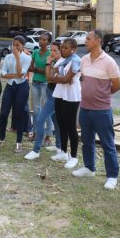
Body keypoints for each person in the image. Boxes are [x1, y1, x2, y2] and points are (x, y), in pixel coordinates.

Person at [72, 30, 120, 190]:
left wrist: (102, 95)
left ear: (98, 41)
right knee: (87, 141)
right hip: (85, 108)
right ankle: (89, 168)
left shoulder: (109, 62)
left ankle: (112, 176)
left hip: (102, 110)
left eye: (88, 38)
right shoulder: (84, 60)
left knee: (108, 144)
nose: (85, 41)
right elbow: (84, 79)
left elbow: (117, 85)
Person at [24, 40, 62, 160]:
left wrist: (48, 64)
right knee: (56, 120)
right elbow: (47, 77)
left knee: (40, 120)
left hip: (57, 96)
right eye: (52, 50)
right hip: (50, 92)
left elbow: (49, 78)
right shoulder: (54, 61)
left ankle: (36, 150)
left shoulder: (61, 63)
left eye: (56, 50)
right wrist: (49, 64)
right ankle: (59, 146)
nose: (52, 53)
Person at [0, 36, 32, 152]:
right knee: (4, 112)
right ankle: (1, 138)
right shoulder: (8, 57)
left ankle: (19, 142)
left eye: (18, 45)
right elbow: (3, 74)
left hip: (22, 87)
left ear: (22, 46)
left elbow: (21, 73)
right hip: (10, 86)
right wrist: (15, 75)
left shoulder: (27, 58)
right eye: (13, 44)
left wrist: (17, 58)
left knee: (19, 113)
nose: (15, 47)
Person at [50, 38, 81, 169]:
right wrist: (60, 78)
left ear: (73, 49)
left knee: (70, 126)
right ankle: (63, 151)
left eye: (66, 48)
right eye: (62, 47)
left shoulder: (76, 60)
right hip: (60, 93)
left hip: (71, 96)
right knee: (61, 123)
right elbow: (52, 75)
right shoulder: (62, 60)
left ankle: (73, 157)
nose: (62, 50)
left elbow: (67, 78)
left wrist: (60, 77)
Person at [29, 34, 52, 143]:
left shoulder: (50, 54)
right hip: (35, 83)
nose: (41, 41)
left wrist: (37, 69)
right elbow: (31, 67)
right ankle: (35, 133)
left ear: (48, 42)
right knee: (36, 110)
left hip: (45, 84)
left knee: (46, 110)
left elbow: (50, 71)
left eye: (44, 40)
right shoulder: (35, 52)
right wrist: (37, 69)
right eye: (40, 39)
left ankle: (48, 136)